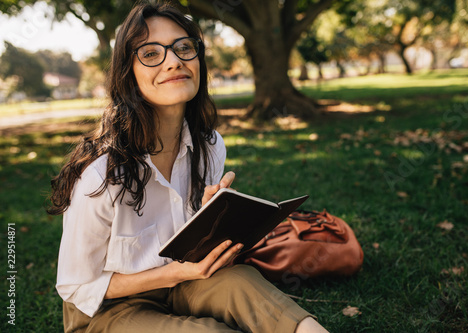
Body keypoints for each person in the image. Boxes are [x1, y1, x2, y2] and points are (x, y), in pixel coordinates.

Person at [49, 2, 328, 332]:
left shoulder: (210, 146)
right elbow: (76, 287)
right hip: (106, 310)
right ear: (128, 73)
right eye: (151, 54)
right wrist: (176, 273)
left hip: (185, 281)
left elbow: (190, 253)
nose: (174, 61)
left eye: (184, 47)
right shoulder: (101, 174)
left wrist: (214, 222)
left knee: (244, 282)